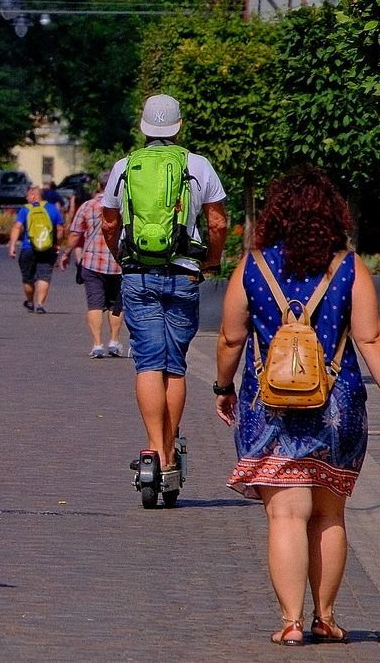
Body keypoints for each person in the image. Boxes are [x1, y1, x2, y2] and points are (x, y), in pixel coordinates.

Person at [214, 166, 380, 646]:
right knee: (329, 515)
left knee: (285, 516)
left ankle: (290, 622)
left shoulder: (252, 267)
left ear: (275, 212)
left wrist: (223, 386)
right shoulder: (348, 267)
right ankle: (326, 616)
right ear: (330, 214)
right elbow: (370, 335)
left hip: (269, 404)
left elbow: (231, 336)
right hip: (336, 405)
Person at [101, 94, 229, 489]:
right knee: (174, 364)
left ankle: (154, 448)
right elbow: (218, 222)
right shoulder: (198, 165)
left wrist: (123, 259)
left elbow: (108, 223)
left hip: (138, 274)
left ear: (143, 126)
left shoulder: (125, 167)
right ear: (179, 126)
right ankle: (170, 453)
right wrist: (210, 260)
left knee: (147, 362)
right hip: (183, 273)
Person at [63, 171, 125, 357]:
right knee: (116, 305)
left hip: (91, 262)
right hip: (118, 263)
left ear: (98, 185)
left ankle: (97, 344)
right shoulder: (124, 206)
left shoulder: (88, 206)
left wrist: (65, 254)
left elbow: (75, 234)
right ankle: (114, 341)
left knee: (94, 304)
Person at [8, 184, 65, 314]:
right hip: (47, 247)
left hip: (28, 247)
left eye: (28, 195)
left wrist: (12, 246)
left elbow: (17, 227)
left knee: (28, 278)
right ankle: (39, 304)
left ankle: (30, 301)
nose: (27, 198)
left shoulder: (25, 210)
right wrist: (56, 243)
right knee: (44, 276)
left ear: (34, 196)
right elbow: (61, 228)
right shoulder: (52, 209)